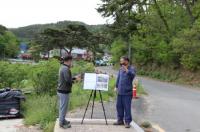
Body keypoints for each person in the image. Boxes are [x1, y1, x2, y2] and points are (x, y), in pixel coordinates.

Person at [57, 55, 80, 129]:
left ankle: (63, 120)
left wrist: (74, 77)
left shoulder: (63, 67)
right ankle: (61, 123)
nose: (72, 62)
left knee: (63, 107)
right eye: (71, 61)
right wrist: (76, 80)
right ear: (69, 61)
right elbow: (68, 81)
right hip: (64, 91)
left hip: (62, 90)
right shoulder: (66, 69)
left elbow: (67, 78)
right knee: (63, 108)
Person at [114, 56, 136, 128]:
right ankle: (120, 120)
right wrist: (116, 86)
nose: (121, 62)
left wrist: (127, 70)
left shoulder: (131, 68)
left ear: (126, 61)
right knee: (119, 106)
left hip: (127, 92)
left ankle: (127, 122)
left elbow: (133, 75)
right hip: (120, 91)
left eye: (122, 61)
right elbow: (118, 78)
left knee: (127, 107)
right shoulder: (120, 69)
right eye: (120, 61)